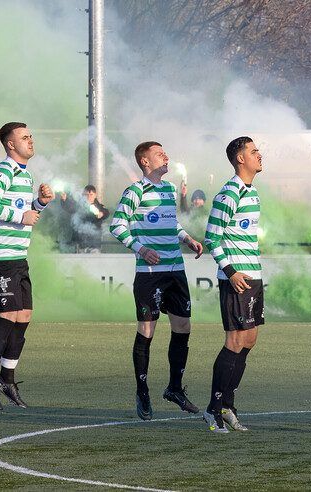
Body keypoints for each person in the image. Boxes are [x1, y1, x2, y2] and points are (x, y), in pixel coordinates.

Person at [109, 141, 204, 420]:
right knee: (147, 330)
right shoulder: (135, 191)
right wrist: (141, 248)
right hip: (150, 275)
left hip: (175, 269)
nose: (166, 156)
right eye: (159, 153)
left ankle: (174, 388)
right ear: (146, 162)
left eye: (166, 151)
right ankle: (142, 390)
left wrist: (186, 238)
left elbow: (170, 222)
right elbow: (117, 225)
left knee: (183, 327)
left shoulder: (169, 189)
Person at [0, 122, 55, 410]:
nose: (30, 140)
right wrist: (21, 216)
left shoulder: (24, 174)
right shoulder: (3, 170)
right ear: (10, 144)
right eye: (24, 137)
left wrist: (40, 204)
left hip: (17, 256)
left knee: (24, 316)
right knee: (8, 315)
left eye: (31, 135)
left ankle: (7, 378)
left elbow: (23, 210)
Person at [202, 136, 264, 433]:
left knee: (249, 340)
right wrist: (230, 271)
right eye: (253, 151)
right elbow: (212, 237)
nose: (259, 154)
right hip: (236, 279)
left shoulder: (252, 193)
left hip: (254, 276)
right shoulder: (229, 193)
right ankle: (213, 409)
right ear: (241, 159)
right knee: (235, 340)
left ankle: (227, 405)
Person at [60, 185, 110, 253]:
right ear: (83, 195)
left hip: (94, 245)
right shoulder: (78, 206)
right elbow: (69, 207)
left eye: (91, 194)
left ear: (95, 195)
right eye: (86, 194)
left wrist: (101, 214)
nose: (89, 196)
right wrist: (64, 200)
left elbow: (106, 212)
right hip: (79, 244)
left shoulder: (100, 208)